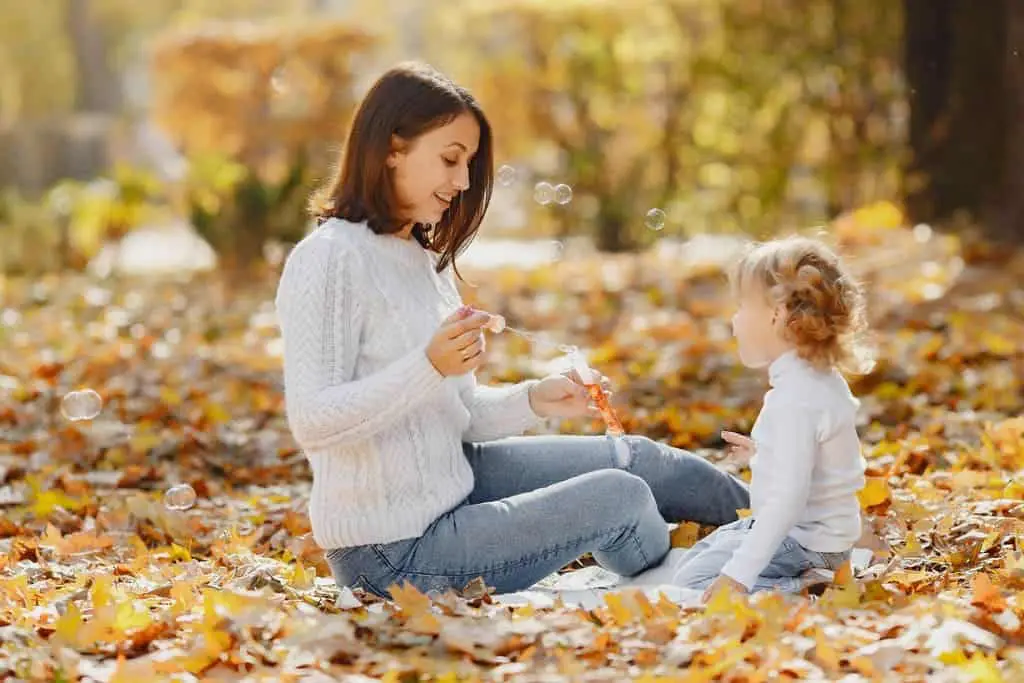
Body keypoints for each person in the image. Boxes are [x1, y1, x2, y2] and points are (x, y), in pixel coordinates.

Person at [274, 61, 750, 599]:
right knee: (620, 497)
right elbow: (313, 421)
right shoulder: (328, 258)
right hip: (393, 549)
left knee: (638, 458)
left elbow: (460, 415)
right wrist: (427, 366)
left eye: (469, 163)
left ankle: (789, 523)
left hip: (455, 478)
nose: (462, 181)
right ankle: (680, 581)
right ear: (391, 148)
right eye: (450, 159)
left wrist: (536, 399)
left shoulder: (415, 258)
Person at [666, 236, 872, 602]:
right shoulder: (817, 378)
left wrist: (738, 578)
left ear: (777, 315)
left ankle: (805, 587)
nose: (733, 321)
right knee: (694, 562)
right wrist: (765, 456)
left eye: (742, 307)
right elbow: (817, 464)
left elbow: (787, 500)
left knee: (692, 586)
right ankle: (812, 574)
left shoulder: (796, 398)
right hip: (818, 539)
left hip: (805, 543)